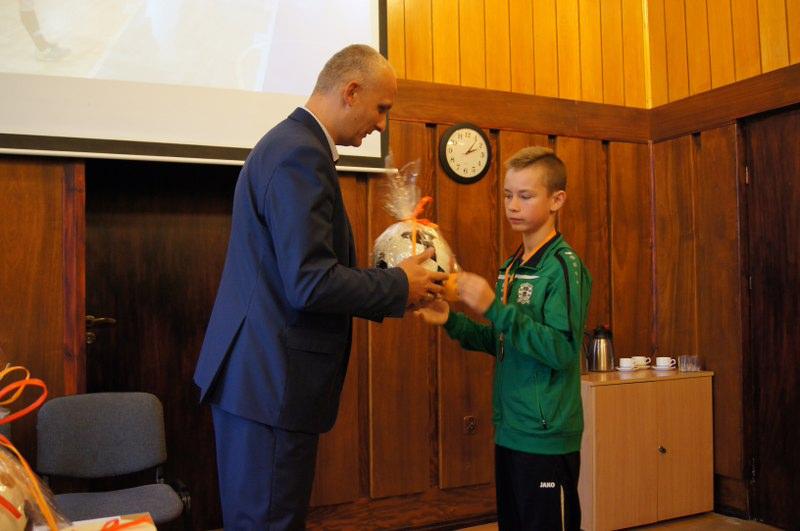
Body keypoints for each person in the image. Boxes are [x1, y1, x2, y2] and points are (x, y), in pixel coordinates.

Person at [193, 44, 448, 530]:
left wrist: (395, 276)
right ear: (351, 92)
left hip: (259, 380)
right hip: (269, 382)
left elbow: (300, 270)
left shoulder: (291, 145)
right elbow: (309, 283)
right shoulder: (300, 154)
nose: (381, 125)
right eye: (381, 108)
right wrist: (399, 284)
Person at [416, 146, 592, 530]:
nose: (513, 205)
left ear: (557, 200)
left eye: (525, 196)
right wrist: (451, 321)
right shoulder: (511, 267)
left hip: (545, 435)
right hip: (511, 430)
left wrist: (494, 307)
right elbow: (502, 341)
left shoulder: (563, 267)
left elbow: (562, 350)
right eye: (508, 195)